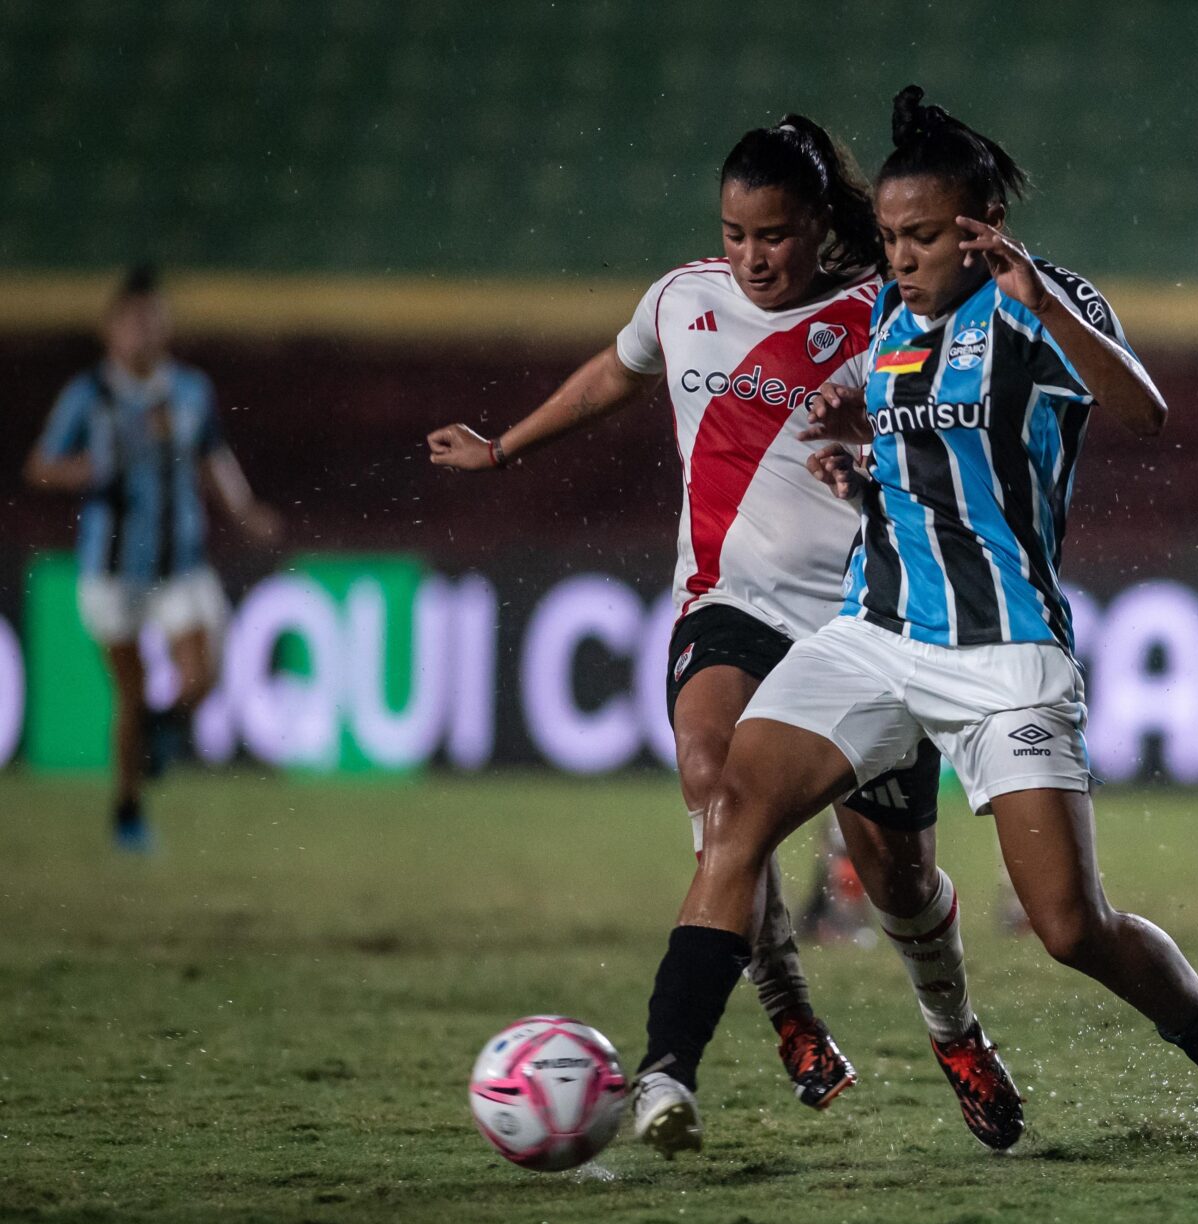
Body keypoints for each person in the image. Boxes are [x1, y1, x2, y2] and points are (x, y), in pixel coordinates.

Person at [630, 87, 1198, 1171]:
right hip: (875, 632)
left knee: (1069, 926)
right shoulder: (890, 321)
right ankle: (666, 1072)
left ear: (982, 220)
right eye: (892, 238)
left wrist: (1043, 299)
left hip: (1004, 653)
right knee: (733, 811)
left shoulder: (1036, 308)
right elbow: (920, 454)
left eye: (922, 237)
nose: (899, 257)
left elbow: (1144, 412)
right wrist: (861, 453)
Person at [426, 115, 1019, 1150]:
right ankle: (783, 1013)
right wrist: (506, 448)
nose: (752, 257)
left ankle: (953, 1029)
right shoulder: (681, 299)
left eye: (776, 236)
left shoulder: (883, 310)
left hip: (864, 621)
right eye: (736, 235)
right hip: (727, 605)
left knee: (900, 880)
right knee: (716, 798)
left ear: (819, 226)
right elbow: (617, 371)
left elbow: (952, 414)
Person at [23, 265, 281, 853]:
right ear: (111, 329)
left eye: (152, 320)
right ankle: (128, 809)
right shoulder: (88, 394)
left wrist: (244, 511)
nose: (143, 332)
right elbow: (40, 465)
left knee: (203, 674)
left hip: (180, 561)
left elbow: (214, 457)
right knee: (130, 695)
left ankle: (162, 733)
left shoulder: (190, 390)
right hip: (112, 569)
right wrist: (83, 471)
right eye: (133, 322)